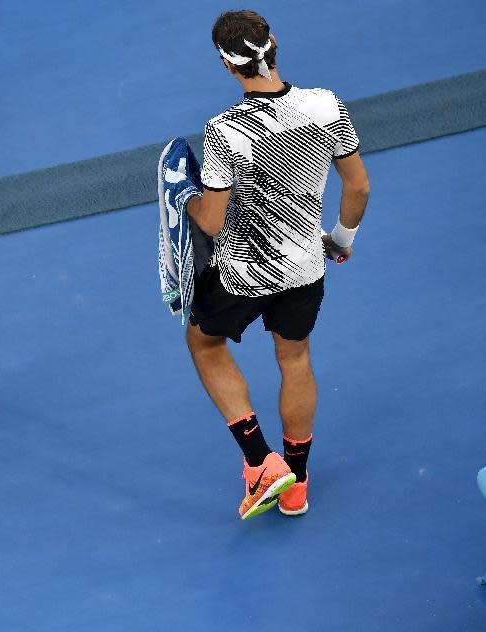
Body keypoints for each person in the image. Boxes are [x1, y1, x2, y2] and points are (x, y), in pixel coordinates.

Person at [163, 10, 370, 520]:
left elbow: (210, 222)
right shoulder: (325, 105)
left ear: (227, 66)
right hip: (306, 268)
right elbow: (358, 186)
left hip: (242, 272)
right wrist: (341, 239)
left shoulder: (225, 132)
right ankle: (297, 483)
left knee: (203, 343)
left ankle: (261, 464)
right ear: (273, 44)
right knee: (294, 358)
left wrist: (182, 197)